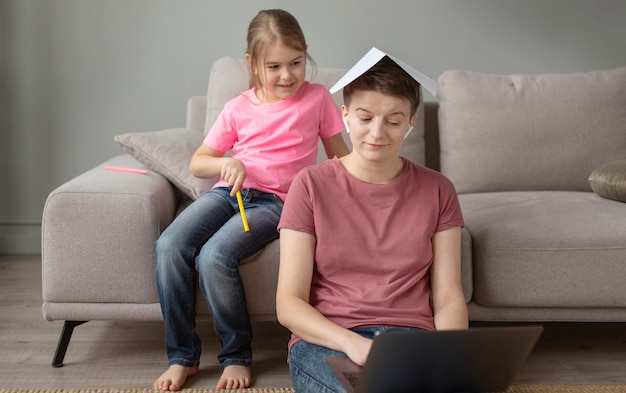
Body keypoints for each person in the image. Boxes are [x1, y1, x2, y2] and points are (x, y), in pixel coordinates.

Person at [153, 9, 349, 391]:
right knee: (168, 245)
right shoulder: (238, 107)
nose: (287, 75)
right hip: (231, 193)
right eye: (273, 66)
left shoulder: (317, 98)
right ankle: (182, 356)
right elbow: (199, 162)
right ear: (252, 64)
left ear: (306, 55)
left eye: (295, 63)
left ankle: (236, 356)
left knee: (215, 257)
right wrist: (227, 162)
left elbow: (341, 158)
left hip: (277, 202)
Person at [276, 49, 468, 393]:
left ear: (411, 122)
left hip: (411, 340)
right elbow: (289, 303)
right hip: (329, 341)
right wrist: (351, 343)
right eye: (365, 118)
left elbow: (449, 296)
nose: (377, 133)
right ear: (345, 116)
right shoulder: (310, 184)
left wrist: (451, 355)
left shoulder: (439, 190)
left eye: (393, 121)